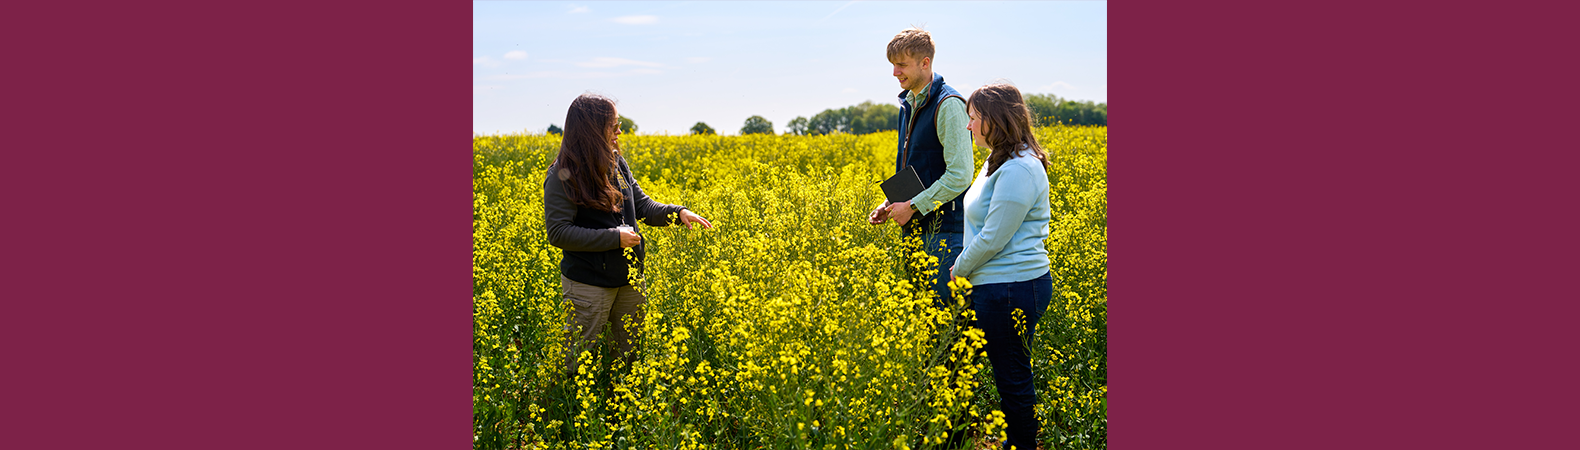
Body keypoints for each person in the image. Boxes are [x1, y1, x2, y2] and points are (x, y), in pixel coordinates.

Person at [542, 93, 713, 376]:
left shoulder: (616, 163)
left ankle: (615, 410)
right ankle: (563, 410)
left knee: (627, 357)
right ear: (592, 128)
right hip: (588, 283)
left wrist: (677, 213)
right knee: (576, 360)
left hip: (629, 278)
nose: (619, 131)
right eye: (613, 125)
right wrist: (614, 238)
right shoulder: (563, 174)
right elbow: (559, 233)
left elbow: (642, 205)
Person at [950, 83, 1055, 450]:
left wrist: (959, 267)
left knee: (1013, 379)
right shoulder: (998, 160)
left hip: (1011, 287)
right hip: (999, 286)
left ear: (995, 120)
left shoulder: (1019, 169)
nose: (969, 127)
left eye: (974, 118)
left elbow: (994, 237)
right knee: (1003, 373)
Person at [866, 27, 974, 308]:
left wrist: (912, 206)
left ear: (925, 63)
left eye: (901, 65)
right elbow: (921, 168)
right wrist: (892, 202)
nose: (894, 73)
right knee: (927, 323)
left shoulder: (948, 105)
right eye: (893, 65)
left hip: (945, 235)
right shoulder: (909, 105)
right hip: (917, 232)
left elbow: (960, 175)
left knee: (948, 323)